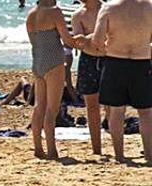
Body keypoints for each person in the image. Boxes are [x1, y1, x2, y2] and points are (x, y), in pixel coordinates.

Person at [88, 0, 152, 163]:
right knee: (146, 113)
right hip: (142, 61)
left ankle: (119, 155)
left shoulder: (109, 7)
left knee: (116, 111)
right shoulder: (150, 6)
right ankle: (150, 156)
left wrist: (107, 47)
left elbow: (97, 41)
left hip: (116, 61)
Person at [26, 0, 83, 160]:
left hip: (37, 62)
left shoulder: (31, 14)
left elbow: (35, 42)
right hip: (54, 62)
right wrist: (84, 39)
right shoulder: (54, 11)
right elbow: (67, 41)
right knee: (52, 109)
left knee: (39, 107)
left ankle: (38, 148)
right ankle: (51, 150)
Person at [72, 0, 107, 155]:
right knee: (91, 106)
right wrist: (95, 38)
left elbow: (116, 35)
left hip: (109, 58)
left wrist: (89, 38)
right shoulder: (78, 14)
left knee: (113, 106)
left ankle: (116, 146)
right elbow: (79, 42)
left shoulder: (108, 9)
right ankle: (96, 148)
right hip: (88, 60)